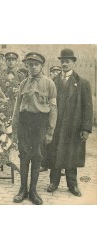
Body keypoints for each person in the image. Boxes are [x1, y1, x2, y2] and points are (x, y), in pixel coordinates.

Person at [46, 49, 93, 197]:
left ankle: (72, 184)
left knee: (72, 154)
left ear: (73, 62)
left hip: (73, 126)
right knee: (54, 153)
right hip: (57, 125)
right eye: (62, 61)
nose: (65, 64)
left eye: (68, 61)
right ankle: (53, 182)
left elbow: (87, 106)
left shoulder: (82, 82)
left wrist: (86, 128)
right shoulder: (53, 82)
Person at [12, 52, 57, 205]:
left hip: (40, 124)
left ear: (41, 66)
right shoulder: (23, 84)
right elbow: (17, 108)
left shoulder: (49, 84)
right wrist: (14, 129)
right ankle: (22, 189)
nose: (32, 67)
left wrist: (50, 131)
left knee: (37, 157)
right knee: (24, 157)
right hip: (25, 124)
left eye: (35, 64)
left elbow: (53, 110)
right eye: (30, 64)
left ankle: (33, 191)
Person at [39, 65, 63, 173]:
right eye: (53, 72)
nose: (56, 73)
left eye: (58, 71)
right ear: (50, 73)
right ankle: (44, 164)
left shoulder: (62, 85)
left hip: (60, 116)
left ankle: (61, 166)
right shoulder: (47, 84)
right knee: (45, 142)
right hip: (47, 116)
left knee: (58, 142)